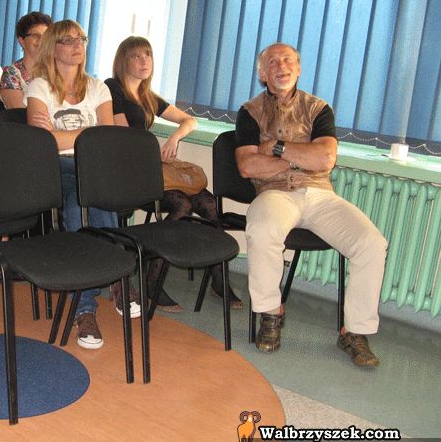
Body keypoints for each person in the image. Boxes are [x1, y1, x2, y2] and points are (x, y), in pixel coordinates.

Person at [235, 42, 387, 367]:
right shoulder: (249, 112)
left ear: (299, 68)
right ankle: (270, 313)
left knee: (372, 243)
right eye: (272, 62)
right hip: (274, 193)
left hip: (319, 194)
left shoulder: (318, 109)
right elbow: (248, 166)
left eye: (288, 60)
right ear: (263, 74)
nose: (281, 66)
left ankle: (354, 332)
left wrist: (275, 148)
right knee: (261, 229)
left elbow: (325, 159)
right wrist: (302, 157)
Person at [26, 19, 140, 350]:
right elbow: (43, 142)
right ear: (52, 47)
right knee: (81, 203)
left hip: (93, 166)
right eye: (68, 39)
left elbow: (106, 139)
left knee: (92, 197)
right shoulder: (39, 87)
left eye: (81, 39)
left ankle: (94, 297)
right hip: (56, 169)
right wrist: (88, 135)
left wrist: (66, 135)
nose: (78, 45)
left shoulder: (98, 87)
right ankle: (101, 293)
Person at [107, 36, 242, 313]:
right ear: (123, 61)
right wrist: (152, 154)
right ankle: (152, 278)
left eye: (148, 55)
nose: (144, 61)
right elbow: (122, 136)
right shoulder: (112, 88)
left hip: (150, 169)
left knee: (209, 204)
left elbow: (189, 120)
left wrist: (174, 139)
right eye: (136, 56)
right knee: (182, 205)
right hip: (125, 173)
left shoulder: (148, 96)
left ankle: (219, 279)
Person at [0, 11, 52, 108]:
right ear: (22, 41)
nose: (41, 40)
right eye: (35, 36)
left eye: (45, 36)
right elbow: (20, 112)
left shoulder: (56, 71)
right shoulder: (11, 73)